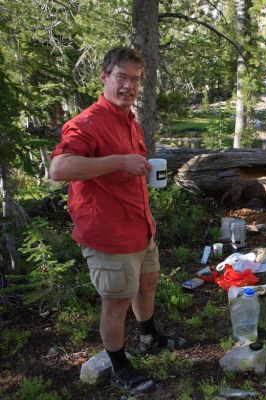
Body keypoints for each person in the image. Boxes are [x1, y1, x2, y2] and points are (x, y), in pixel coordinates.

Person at [50, 47, 185, 395]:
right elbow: (60, 168)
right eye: (121, 77)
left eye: (135, 79)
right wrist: (118, 162)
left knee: (147, 283)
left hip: (139, 225)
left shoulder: (130, 121)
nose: (129, 85)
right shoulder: (86, 123)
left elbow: (129, 169)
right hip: (107, 233)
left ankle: (149, 336)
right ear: (104, 77)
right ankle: (119, 365)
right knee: (116, 301)